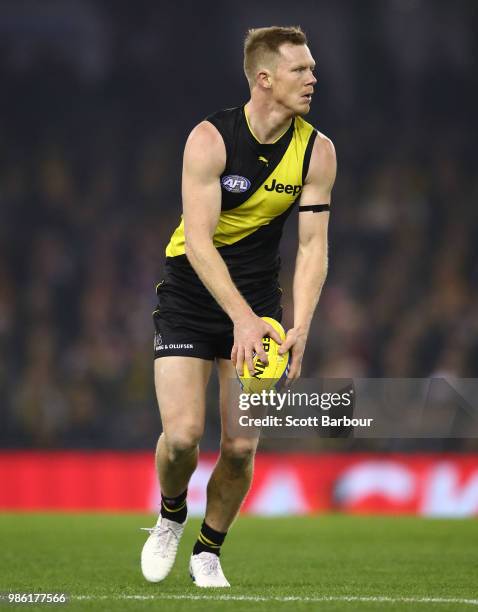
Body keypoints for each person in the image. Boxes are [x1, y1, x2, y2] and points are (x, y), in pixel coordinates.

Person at [141, 25, 336, 588]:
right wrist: (241, 319)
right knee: (181, 438)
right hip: (190, 292)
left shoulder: (317, 152)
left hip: (257, 301)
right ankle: (172, 514)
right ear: (264, 78)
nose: (312, 77)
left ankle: (209, 550)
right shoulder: (210, 139)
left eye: (312, 68)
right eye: (301, 69)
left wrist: (300, 326)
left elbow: (312, 245)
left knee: (241, 445)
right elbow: (198, 243)